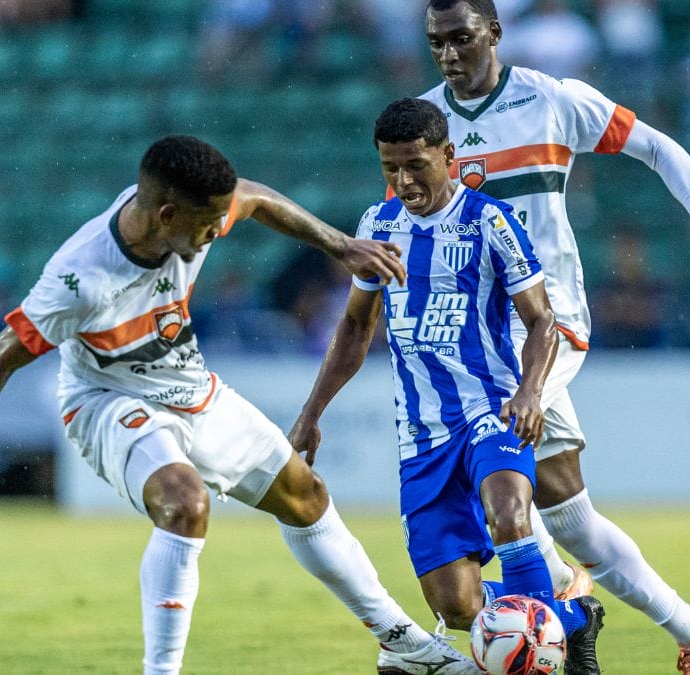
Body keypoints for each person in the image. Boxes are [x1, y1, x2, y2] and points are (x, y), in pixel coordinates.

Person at [0, 135, 482, 675]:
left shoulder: (194, 210)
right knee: (185, 504)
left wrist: (340, 245)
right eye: (208, 223)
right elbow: (1, 355)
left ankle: (401, 643)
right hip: (106, 400)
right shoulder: (81, 278)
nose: (218, 231)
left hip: (189, 389)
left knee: (306, 496)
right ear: (167, 214)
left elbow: (255, 198)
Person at [416, 1, 690, 672]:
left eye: (461, 38)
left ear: (495, 32)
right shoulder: (424, 123)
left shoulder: (552, 101)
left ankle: (554, 599)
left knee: (490, 451)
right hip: (479, 335)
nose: (448, 54)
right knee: (568, 515)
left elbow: (658, 146)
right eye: (436, 42)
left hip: (548, 319)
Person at [290, 98, 605, 675]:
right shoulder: (377, 227)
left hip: (492, 408)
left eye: (416, 165)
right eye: (390, 168)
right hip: (423, 434)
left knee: (509, 515)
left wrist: (530, 392)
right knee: (456, 607)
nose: (404, 181)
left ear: (449, 155)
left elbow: (542, 320)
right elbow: (356, 325)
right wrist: (312, 413)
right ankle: (572, 616)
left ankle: (541, 659)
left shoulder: (489, 220)